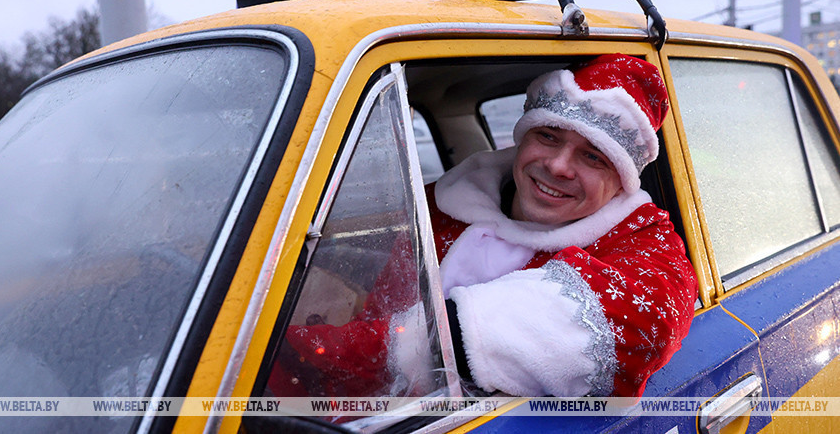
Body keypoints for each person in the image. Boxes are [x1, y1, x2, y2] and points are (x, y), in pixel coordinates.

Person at [269, 53, 697, 400]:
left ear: (621, 179)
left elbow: (647, 321)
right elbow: (383, 305)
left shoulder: (645, 240)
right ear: (521, 137)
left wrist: (326, 351)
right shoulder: (440, 204)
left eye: (593, 157)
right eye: (548, 136)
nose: (557, 166)